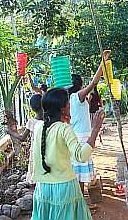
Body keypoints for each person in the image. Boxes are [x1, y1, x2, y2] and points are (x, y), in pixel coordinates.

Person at [31, 88, 104, 220]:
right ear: (63, 108)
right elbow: (81, 156)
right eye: (68, 103)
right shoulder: (64, 129)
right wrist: (95, 129)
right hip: (64, 188)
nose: (70, 105)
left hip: (43, 189)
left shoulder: (38, 127)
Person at [68, 50, 111, 195]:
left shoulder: (69, 98)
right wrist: (103, 62)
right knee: (79, 173)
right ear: (79, 85)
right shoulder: (77, 96)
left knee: (78, 173)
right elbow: (94, 83)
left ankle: (80, 201)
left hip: (77, 136)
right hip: (81, 138)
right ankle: (80, 202)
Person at [6, 94, 43, 183]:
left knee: (35, 170)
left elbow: (22, 138)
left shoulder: (31, 122)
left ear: (32, 108)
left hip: (35, 151)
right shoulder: (48, 120)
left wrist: (10, 132)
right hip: (47, 150)